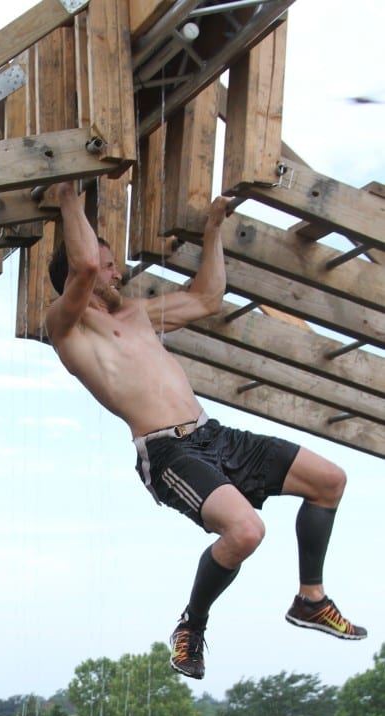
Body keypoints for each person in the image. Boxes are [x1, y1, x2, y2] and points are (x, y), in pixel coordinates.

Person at [44, 180, 366, 680]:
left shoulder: (138, 315)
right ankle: (192, 626)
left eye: (113, 263)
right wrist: (69, 198)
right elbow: (84, 265)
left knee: (330, 481)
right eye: (108, 262)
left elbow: (209, 297)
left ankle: (310, 598)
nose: (114, 269)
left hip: (214, 436)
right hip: (169, 454)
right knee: (246, 531)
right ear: (75, 277)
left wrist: (213, 228)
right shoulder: (67, 327)